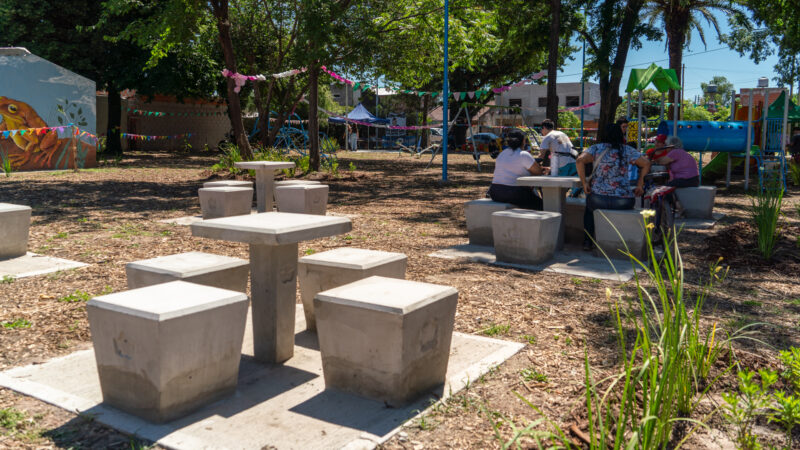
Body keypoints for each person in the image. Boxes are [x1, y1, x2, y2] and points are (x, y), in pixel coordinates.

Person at [576, 123, 651, 251]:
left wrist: (584, 183)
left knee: (589, 210)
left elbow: (579, 160)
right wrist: (640, 183)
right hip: (623, 200)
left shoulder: (596, 148)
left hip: (598, 198)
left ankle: (587, 241)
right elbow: (646, 163)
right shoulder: (627, 150)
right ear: (620, 135)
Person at [488, 129, 545, 209]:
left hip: (495, 192)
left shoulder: (502, 154)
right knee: (541, 205)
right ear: (523, 142)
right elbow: (538, 172)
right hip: (513, 192)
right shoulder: (523, 154)